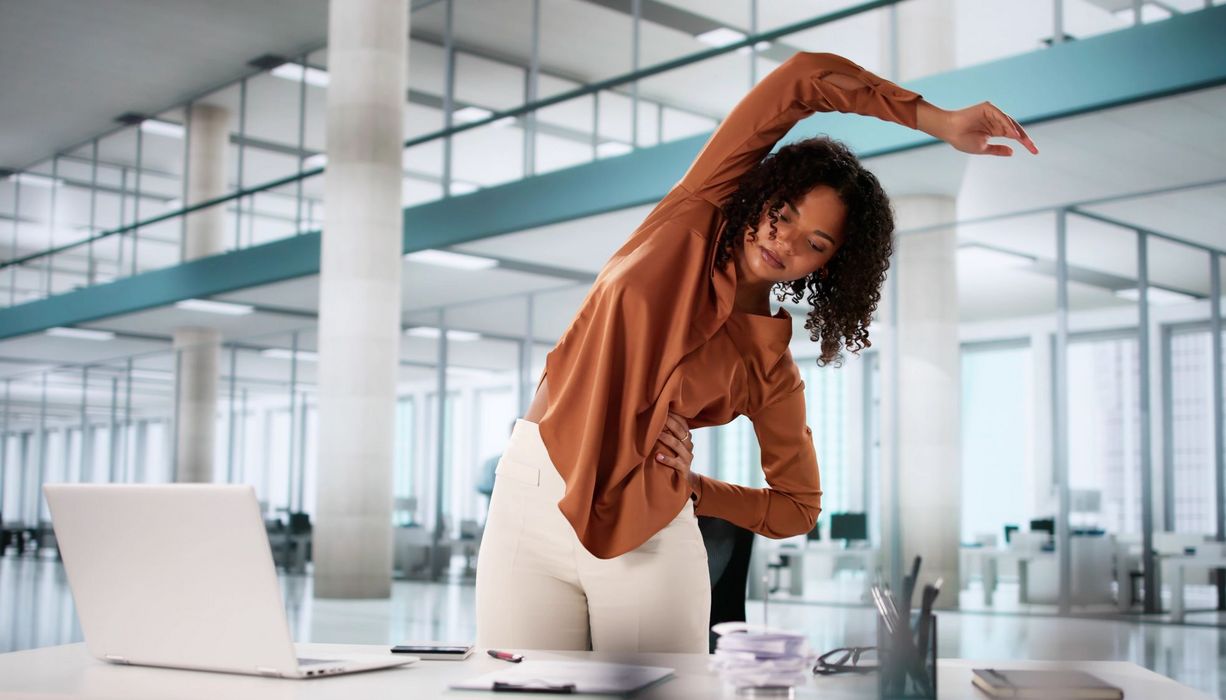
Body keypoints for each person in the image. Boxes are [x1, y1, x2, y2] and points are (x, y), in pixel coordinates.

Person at [475, 51, 1037, 653]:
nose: (784, 240)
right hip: (528, 492)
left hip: (648, 530)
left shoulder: (769, 367)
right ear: (763, 197)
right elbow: (802, 80)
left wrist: (695, 488)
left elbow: (799, 507)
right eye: (783, 213)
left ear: (828, 267)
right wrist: (937, 120)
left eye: (814, 242)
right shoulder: (691, 217)